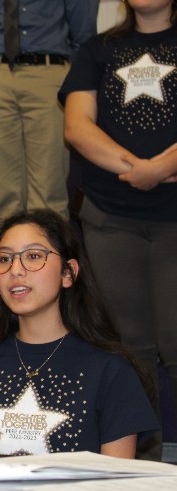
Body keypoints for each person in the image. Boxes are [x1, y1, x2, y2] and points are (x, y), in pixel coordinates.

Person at [0, 209, 158, 458]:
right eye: (4, 259)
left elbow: (116, 487)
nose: (15, 270)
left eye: (33, 256)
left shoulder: (111, 371)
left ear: (68, 273)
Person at [60, 0, 177, 437]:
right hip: (112, 218)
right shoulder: (97, 49)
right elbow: (76, 126)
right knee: (131, 351)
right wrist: (140, 168)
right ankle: (140, 469)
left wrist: (161, 167)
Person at [0, 0, 99, 229]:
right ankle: (9, 261)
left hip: (49, 73)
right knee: (4, 195)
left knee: (48, 192)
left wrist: (69, 81)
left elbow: (84, 35)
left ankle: (46, 261)